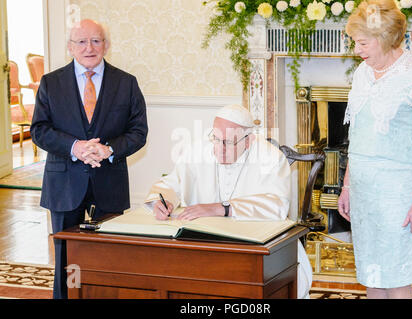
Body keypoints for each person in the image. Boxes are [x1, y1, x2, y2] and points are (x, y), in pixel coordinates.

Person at [30, 19, 148, 299]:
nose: (89, 47)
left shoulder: (126, 83)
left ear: (106, 45)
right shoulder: (51, 82)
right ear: (70, 47)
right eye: (81, 41)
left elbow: (138, 131)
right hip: (64, 184)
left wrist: (108, 150)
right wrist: (75, 147)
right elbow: (39, 130)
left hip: (110, 182)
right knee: (66, 258)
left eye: (96, 40)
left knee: (109, 255)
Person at [145, 104, 313, 298]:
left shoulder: (271, 158)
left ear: (248, 141)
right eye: (216, 139)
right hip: (203, 242)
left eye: (228, 142)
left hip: (258, 245)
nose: (219, 149)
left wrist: (222, 208)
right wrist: (163, 201)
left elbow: (277, 206)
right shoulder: (198, 150)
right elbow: (171, 183)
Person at [338, 0, 412, 299]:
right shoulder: (362, 73)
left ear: (384, 38)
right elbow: (356, 138)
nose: (357, 50)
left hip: (398, 194)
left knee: (397, 280)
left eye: (362, 43)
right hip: (363, 190)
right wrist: (346, 186)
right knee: (372, 276)